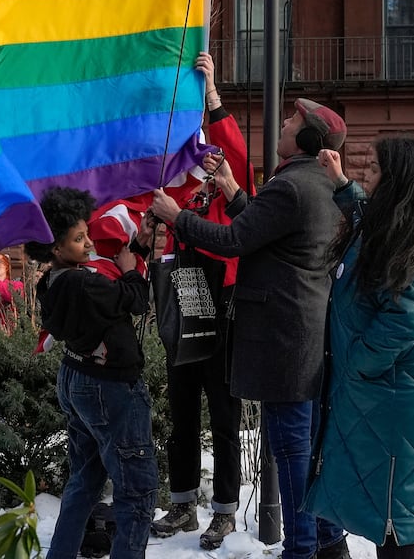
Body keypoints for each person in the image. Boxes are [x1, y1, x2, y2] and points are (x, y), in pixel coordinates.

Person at [151, 97, 350, 559]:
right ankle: (327, 542)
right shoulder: (314, 182)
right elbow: (267, 232)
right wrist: (234, 193)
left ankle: (300, 549)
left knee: (292, 452)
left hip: (284, 341)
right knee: (306, 449)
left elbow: (236, 240)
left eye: (291, 119)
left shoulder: (292, 186)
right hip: (305, 336)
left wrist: (175, 217)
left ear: (305, 137)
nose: (282, 122)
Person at [302, 138, 414, 559]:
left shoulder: (410, 238)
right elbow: (368, 215)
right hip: (401, 389)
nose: (365, 171)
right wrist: (339, 182)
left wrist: (357, 364)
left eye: (374, 167)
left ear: (398, 177)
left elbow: (405, 318)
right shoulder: (398, 222)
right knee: (413, 515)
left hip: (399, 395)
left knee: (395, 517)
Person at [148, 52, 250, 550]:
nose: (209, 159)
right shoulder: (181, 186)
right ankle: (184, 502)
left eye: (216, 155)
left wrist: (212, 93)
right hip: (185, 295)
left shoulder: (234, 189)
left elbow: (234, 149)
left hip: (223, 299)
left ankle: (225, 510)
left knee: (224, 412)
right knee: (182, 406)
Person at [26, 187, 156, 559]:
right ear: (55, 247)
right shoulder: (83, 283)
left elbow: (115, 292)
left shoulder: (54, 280)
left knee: (85, 479)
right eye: (79, 239)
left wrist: (140, 250)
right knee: (137, 489)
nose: (88, 245)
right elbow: (133, 298)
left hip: (78, 379)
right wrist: (133, 266)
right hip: (110, 388)